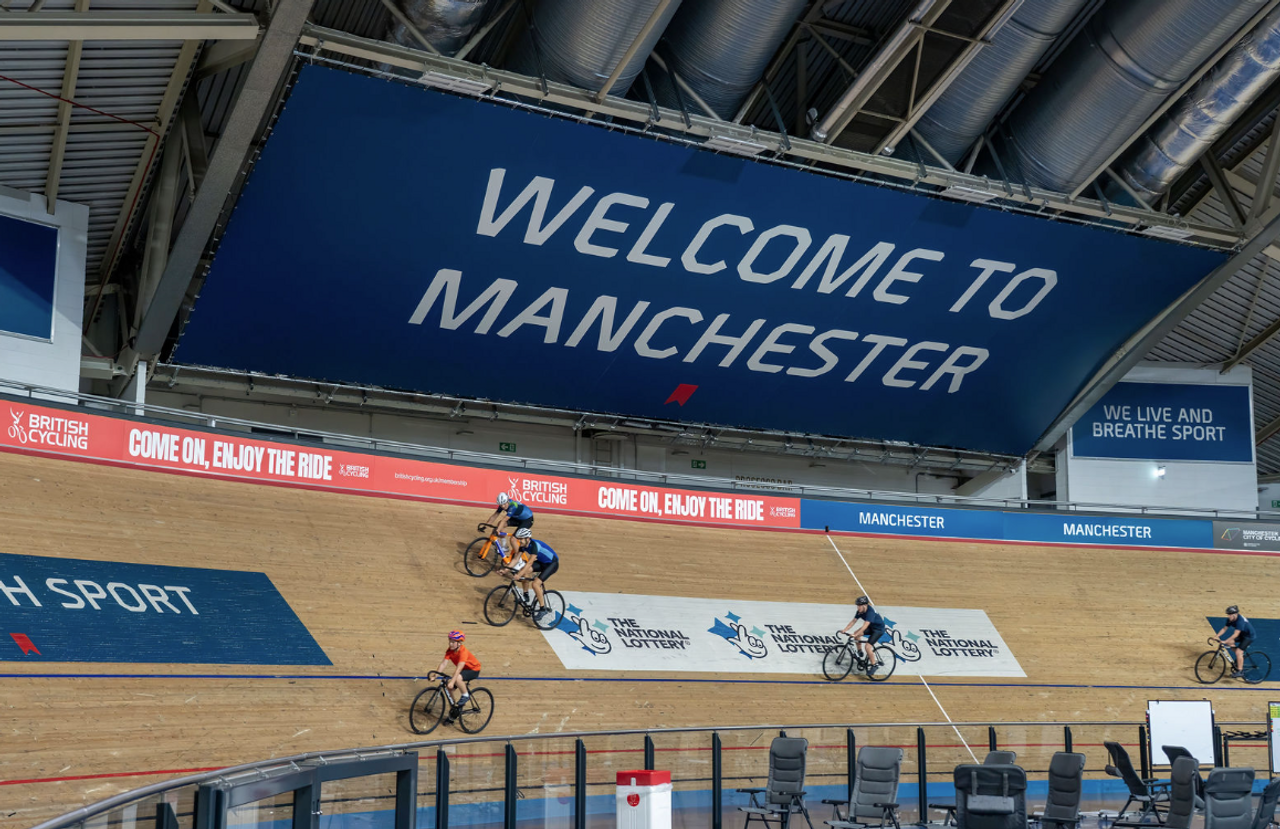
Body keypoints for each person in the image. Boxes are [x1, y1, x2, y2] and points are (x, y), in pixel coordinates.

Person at [508, 536, 559, 622]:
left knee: (535, 584)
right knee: (525, 572)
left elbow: (529, 563)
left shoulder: (535, 545)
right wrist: (506, 569)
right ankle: (526, 595)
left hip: (551, 564)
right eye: (518, 539)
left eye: (521, 539)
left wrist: (518, 575)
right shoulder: (523, 545)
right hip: (542, 562)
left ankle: (543, 609)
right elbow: (516, 559)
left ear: (527, 539)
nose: (519, 541)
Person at [436, 630, 481, 723]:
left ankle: (465, 695)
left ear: (459, 643)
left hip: (473, 669)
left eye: (453, 642)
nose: (450, 644)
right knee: (449, 688)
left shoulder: (463, 652)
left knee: (457, 679)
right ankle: (455, 710)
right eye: (450, 641)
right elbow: (443, 664)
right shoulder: (450, 650)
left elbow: (458, 669)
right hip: (464, 669)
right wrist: (435, 675)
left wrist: (452, 682)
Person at [839, 595, 886, 674]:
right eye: (857, 606)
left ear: (865, 605)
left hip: (878, 630)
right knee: (856, 634)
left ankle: (874, 665)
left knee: (867, 647)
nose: (858, 608)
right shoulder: (860, 611)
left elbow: (865, 625)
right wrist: (845, 630)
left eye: (859, 606)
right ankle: (860, 651)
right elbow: (853, 621)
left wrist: (857, 634)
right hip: (871, 627)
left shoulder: (870, 612)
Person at [486, 493, 534, 558]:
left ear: (507, 501)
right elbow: (495, 515)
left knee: (513, 539)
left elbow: (505, 519)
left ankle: (518, 559)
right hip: (517, 518)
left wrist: (498, 530)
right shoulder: (503, 504)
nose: (503, 506)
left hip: (527, 519)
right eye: (501, 505)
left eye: (504, 504)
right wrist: (486, 525)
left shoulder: (513, 506)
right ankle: (504, 546)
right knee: (500, 524)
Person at [1217, 605, 1255, 678]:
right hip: (1242, 634)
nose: (1228, 616)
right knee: (1230, 643)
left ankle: (1240, 671)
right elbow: (1224, 629)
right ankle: (1240, 657)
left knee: (1238, 652)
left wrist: (1225, 641)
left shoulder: (1240, 621)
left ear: (1235, 615)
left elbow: (1235, 634)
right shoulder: (1230, 619)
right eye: (1228, 615)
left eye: (1230, 615)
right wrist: (1216, 636)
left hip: (1249, 636)